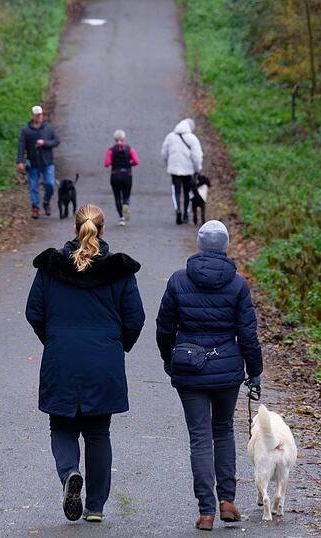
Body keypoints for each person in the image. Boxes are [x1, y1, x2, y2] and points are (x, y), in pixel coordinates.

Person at [25, 204, 145, 523]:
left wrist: (52, 339)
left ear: (74, 229)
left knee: (61, 425)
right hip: (103, 361)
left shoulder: (51, 267)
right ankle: (95, 507)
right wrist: (118, 346)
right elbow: (135, 319)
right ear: (102, 230)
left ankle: (69, 474)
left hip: (60, 357)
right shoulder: (118, 271)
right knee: (98, 432)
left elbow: (34, 312)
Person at [155, 220, 263, 531]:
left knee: (200, 438)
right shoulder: (238, 285)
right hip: (227, 369)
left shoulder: (178, 281)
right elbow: (248, 335)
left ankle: (206, 511)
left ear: (200, 246)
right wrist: (254, 372)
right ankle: (227, 500)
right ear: (226, 247)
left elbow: (165, 328)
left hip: (189, 370)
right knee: (224, 431)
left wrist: (168, 359)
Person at [17, 105, 60, 219]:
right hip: (33, 162)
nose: (39, 117)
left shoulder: (48, 128)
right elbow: (21, 146)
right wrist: (20, 161)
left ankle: (46, 201)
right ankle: (35, 207)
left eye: (40, 115)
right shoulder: (26, 131)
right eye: (37, 115)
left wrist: (45, 143)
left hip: (47, 162)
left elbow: (56, 141)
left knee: (50, 184)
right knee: (33, 186)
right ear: (33, 116)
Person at [160, 118, 203, 225]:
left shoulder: (170, 137)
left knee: (176, 191)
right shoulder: (192, 139)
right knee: (188, 192)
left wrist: (167, 164)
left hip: (174, 169)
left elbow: (164, 152)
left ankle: (178, 209)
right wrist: (197, 169)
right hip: (188, 170)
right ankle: (186, 214)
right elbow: (197, 156)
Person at [103, 130, 140, 225]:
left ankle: (121, 217)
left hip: (115, 175)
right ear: (124, 138)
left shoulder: (111, 150)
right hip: (127, 175)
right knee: (126, 195)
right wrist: (129, 163)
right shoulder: (130, 149)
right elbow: (136, 161)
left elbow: (106, 164)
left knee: (117, 197)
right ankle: (126, 204)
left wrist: (113, 163)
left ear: (115, 139)